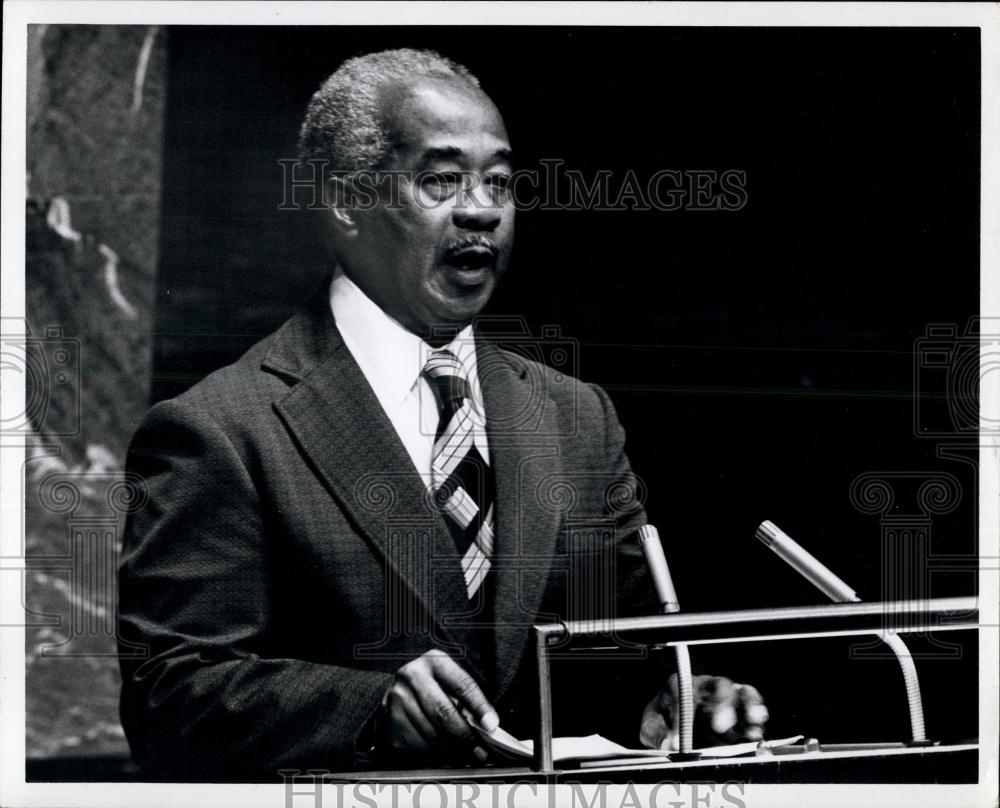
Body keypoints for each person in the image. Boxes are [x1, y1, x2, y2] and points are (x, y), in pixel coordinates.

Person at [117, 48, 767, 782]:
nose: (482, 209)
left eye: (499, 181)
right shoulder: (220, 431)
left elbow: (618, 664)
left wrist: (668, 701)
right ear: (343, 201)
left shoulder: (576, 417)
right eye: (441, 179)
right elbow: (166, 699)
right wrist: (372, 709)